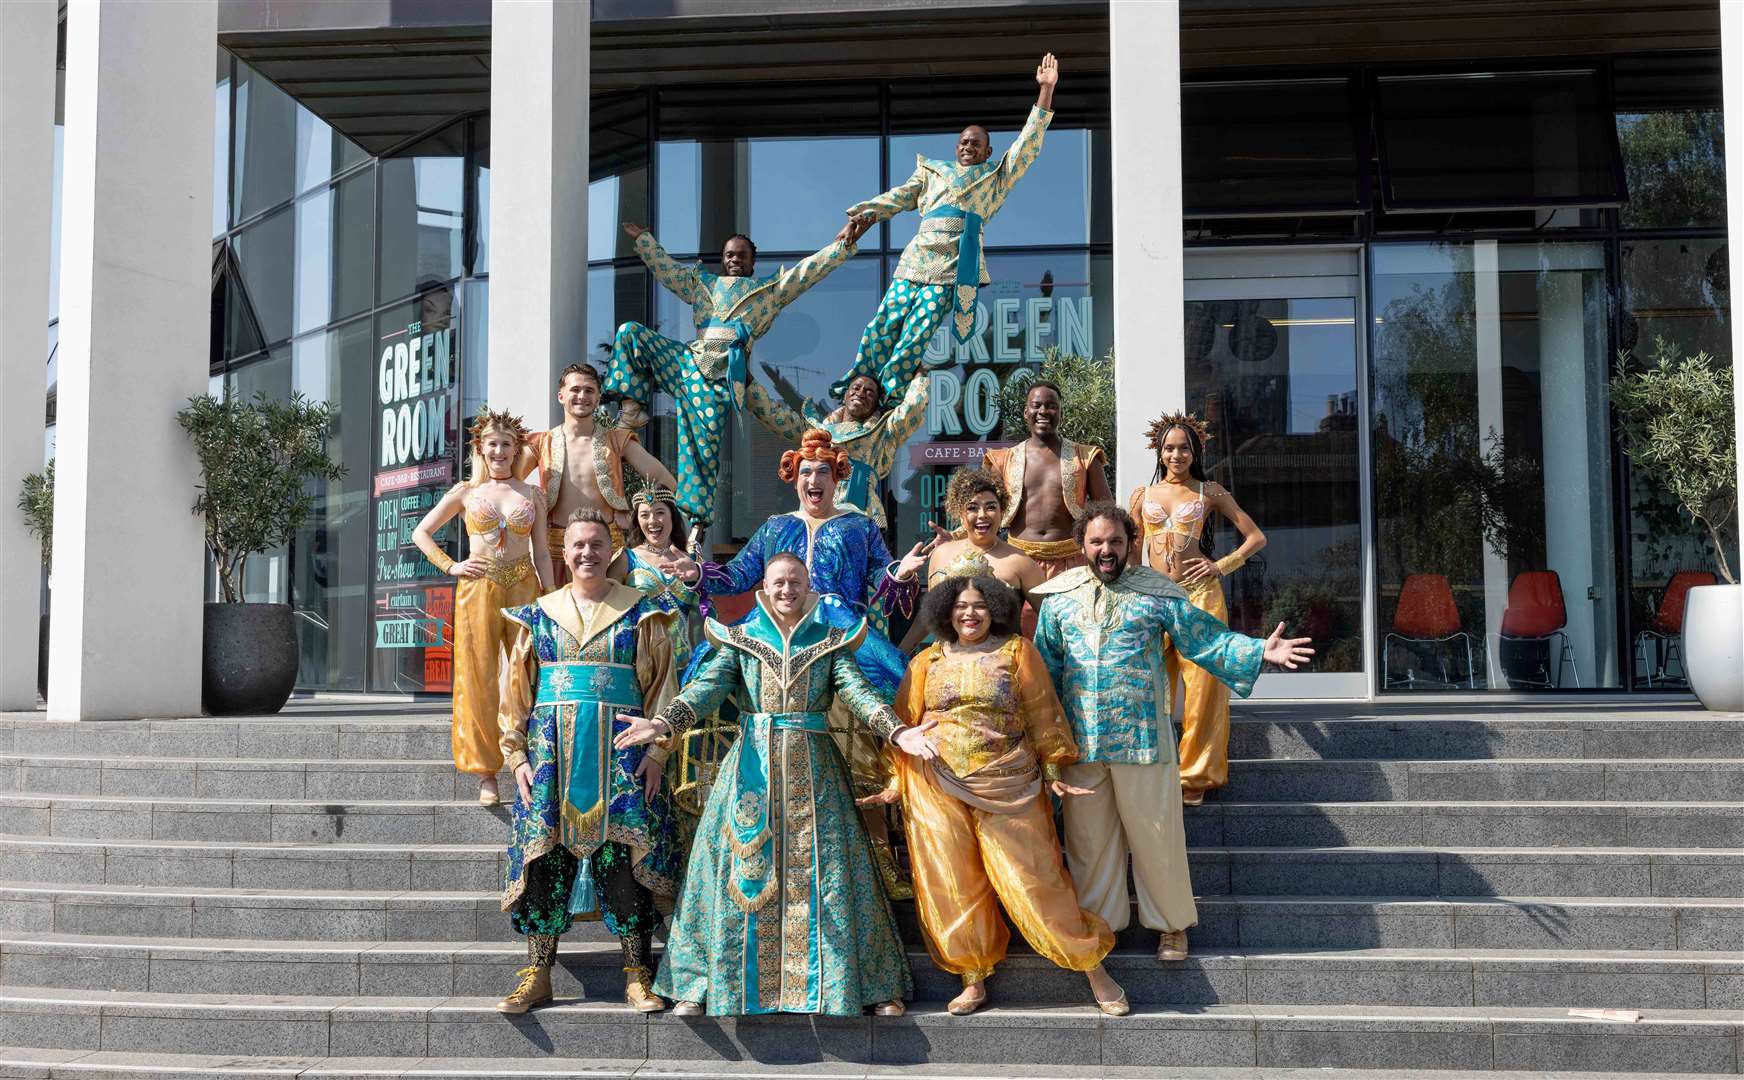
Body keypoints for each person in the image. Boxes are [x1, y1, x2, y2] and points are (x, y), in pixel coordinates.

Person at [615, 553, 913, 1017]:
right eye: (778, 581)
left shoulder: (830, 641)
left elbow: (857, 692)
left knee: (831, 871)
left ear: (809, 586)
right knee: (735, 867)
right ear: (763, 587)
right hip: (750, 767)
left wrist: (896, 730)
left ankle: (866, 985)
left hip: (815, 771)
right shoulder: (742, 639)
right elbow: (707, 689)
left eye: (795, 581)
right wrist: (662, 723)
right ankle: (704, 984)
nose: (786, 589)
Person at [1032, 503, 1311, 964]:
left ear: (1130, 544)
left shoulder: (1157, 593)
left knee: (1156, 837)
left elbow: (1205, 638)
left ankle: (1171, 926)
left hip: (1143, 739)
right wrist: (1046, 742)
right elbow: (1046, 671)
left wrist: (1261, 650)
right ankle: (1101, 926)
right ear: (1081, 545)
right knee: (1087, 845)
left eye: (1116, 542)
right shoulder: (1057, 599)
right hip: (1080, 745)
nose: (1106, 550)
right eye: (1097, 542)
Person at [867, 575, 1125, 1017]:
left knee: (1037, 879)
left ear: (997, 610)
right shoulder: (926, 660)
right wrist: (895, 779)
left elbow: (1043, 711)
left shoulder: (1017, 651)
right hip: (936, 784)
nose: (970, 614)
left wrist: (1051, 769)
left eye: (980, 606)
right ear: (945, 611)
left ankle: (1092, 967)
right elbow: (903, 723)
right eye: (961, 606)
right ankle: (973, 977)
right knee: (953, 884)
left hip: (1012, 781)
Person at [668, 428, 910, 895]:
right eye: (806, 472)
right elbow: (739, 574)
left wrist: (899, 573)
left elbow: (883, 573)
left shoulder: (859, 526)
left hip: (838, 640)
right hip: (777, 645)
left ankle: (881, 863)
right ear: (793, 478)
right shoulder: (775, 527)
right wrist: (699, 572)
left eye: (823, 471)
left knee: (864, 750)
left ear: (837, 477)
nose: (814, 478)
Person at [495, 509, 684, 1015]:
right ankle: (538, 973)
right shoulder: (536, 614)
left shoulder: (645, 612)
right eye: (578, 544)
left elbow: (665, 685)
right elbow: (515, 693)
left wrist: (659, 753)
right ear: (565, 551)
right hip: (550, 755)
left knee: (626, 858)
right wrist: (515, 758)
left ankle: (639, 973)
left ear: (613, 549)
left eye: (597, 544)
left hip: (623, 755)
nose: (586, 553)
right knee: (543, 859)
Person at [605, 219, 871, 546]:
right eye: (730, 254)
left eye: (742, 255)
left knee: (701, 451)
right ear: (722, 258)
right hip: (687, 362)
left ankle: (696, 529)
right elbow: (666, 269)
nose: (734, 259)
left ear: (752, 261)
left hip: (720, 377)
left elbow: (806, 273)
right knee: (630, 333)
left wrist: (841, 247)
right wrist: (644, 239)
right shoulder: (701, 284)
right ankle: (632, 409)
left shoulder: (768, 292)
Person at [831, 54, 1059, 402]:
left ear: (988, 151)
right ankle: (860, 384)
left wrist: (1046, 90)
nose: (969, 147)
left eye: (976, 144)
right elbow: (899, 197)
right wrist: (862, 215)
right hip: (916, 260)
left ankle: (890, 392)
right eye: (964, 142)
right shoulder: (932, 171)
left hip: (951, 269)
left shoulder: (996, 177)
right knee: (882, 324)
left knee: (917, 333)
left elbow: (1028, 144)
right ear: (957, 147)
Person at [413, 407, 554, 806]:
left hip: (525, 585)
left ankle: (536, 757)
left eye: (507, 444)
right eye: (492, 443)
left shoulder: (532, 495)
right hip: (479, 585)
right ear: (481, 447)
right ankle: (486, 772)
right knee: (479, 675)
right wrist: (452, 565)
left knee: (530, 671)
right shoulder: (466, 492)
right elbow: (421, 532)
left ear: (516, 449)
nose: (499, 450)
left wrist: (555, 595)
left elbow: (541, 552)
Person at [1129, 413, 1268, 805]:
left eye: (1184, 447)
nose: (1176, 454)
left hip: (1201, 597)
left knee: (1203, 688)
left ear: (1196, 452)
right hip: (1154, 599)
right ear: (1159, 451)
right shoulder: (1142, 496)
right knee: (1151, 684)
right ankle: (1150, 770)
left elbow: (1256, 537)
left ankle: (1195, 777)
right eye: (1169, 447)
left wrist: (1220, 565)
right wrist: (1133, 593)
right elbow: (1135, 551)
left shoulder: (1210, 492)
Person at [522, 363, 677, 583]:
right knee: (560, 614)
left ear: (597, 398)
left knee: (609, 615)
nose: (582, 396)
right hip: (557, 550)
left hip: (607, 551)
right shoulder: (541, 443)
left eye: (589, 391)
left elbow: (666, 481)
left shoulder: (616, 440)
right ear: (561, 396)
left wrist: (636, 513)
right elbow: (503, 483)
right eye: (575, 390)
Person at [981, 381, 1113, 632]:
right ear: (1025, 412)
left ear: (1060, 412)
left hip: (1072, 562)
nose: (1043, 411)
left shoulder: (1085, 457)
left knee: (1073, 635)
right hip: (1018, 561)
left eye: (1051, 406)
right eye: (1037, 405)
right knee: (1017, 641)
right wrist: (957, 538)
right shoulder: (1002, 460)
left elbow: (1108, 515)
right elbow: (984, 512)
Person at [886, 466, 1045, 651]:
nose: (982, 515)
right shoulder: (941, 554)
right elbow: (928, 615)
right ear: (960, 514)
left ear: (1002, 512)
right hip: (948, 664)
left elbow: (1049, 619)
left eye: (991, 507)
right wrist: (901, 654)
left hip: (1003, 667)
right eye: (972, 508)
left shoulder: (1021, 562)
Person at [745, 369, 929, 529]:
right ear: (845, 396)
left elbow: (912, 409)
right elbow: (776, 417)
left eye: (870, 392)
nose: (861, 393)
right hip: (815, 512)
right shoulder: (816, 431)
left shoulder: (883, 433)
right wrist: (747, 382)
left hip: (860, 516)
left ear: (876, 405)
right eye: (856, 388)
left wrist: (920, 372)